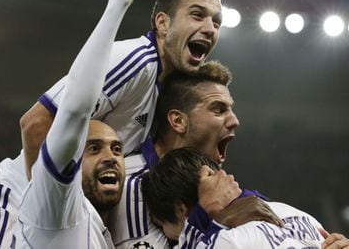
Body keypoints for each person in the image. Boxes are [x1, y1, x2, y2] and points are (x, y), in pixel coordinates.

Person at [20, 0, 224, 181]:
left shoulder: (163, 84)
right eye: (197, 15)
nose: (210, 29)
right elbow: (36, 123)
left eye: (216, 23)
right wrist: (39, 204)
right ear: (162, 23)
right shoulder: (136, 61)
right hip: (16, 200)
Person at [14, 0, 134, 247]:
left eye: (117, 149)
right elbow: (75, 111)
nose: (110, 157)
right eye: (93, 148)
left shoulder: (98, 231)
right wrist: (117, 4)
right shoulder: (51, 206)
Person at [108, 60, 282, 248]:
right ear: (178, 121)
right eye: (219, 109)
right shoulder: (132, 187)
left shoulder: (205, 175)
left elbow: (259, 213)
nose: (234, 120)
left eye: (231, 109)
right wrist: (209, 217)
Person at [142, 147, 349, 249]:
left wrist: (202, 217)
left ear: (180, 210)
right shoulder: (294, 212)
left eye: (160, 225)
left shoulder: (226, 241)